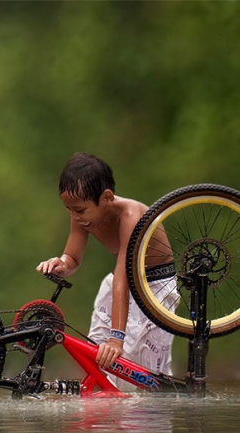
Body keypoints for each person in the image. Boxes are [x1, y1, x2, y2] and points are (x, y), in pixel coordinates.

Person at [36, 153, 179, 390]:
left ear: (107, 198)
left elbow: (124, 275)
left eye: (79, 210)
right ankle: (108, 416)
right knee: (100, 358)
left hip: (154, 287)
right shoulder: (81, 214)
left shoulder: (131, 216)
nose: (74, 216)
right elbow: (72, 258)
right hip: (120, 284)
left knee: (146, 371)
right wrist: (60, 264)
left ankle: (152, 417)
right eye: (68, 210)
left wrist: (117, 338)